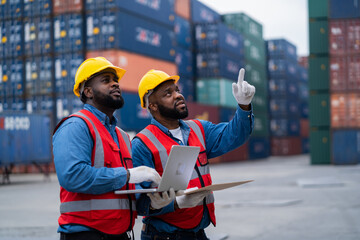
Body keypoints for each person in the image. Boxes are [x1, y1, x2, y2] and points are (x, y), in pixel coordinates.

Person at [132, 68, 255, 240]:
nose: (178, 95)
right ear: (152, 105)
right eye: (168, 94)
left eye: (177, 90)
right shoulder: (142, 144)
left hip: (198, 233)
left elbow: (234, 136)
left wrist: (244, 105)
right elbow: (138, 202)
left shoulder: (198, 129)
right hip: (163, 236)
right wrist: (174, 204)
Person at [53, 57, 161, 240]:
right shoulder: (76, 126)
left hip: (121, 234)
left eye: (115, 80)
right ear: (88, 91)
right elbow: (72, 176)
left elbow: (124, 194)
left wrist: (155, 198)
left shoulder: (123, 137)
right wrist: (128, 175)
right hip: (85, 234)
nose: (115, 84)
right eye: (106, 80)